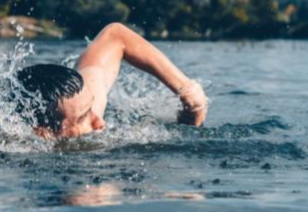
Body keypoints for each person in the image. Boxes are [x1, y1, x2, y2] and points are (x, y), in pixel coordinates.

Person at [14, 23, 208, 138]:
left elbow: (115, 35)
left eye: (90, 108)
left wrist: (188, 91)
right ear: (43, 134)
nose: (99, 123)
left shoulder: (81, 99)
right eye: (82, 118)